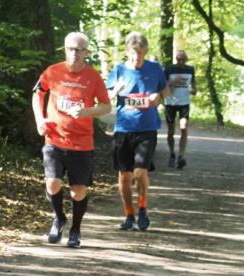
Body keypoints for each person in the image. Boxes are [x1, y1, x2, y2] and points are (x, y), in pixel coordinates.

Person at [32, 32, 112, 248]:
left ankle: (75, 229)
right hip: (55, 138)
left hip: (82, 142)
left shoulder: (93, 77)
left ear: (86, 52)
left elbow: (106, 106)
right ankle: (59, 218)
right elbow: (37, 93)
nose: (74, 54)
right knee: (53, 183)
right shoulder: (53, 72)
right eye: (70, 49)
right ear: (64, 49)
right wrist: (40, 119)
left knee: (78, 191)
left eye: (79, 50)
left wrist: (86, 112)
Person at [106, 32, 169, 231]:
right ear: (127, 52)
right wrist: (116, 90)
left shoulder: (155, 69)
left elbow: (166, 91)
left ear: (146, 52)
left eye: (140, 53)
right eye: (133, 54)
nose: (137, 58)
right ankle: (129, 215)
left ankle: (142, 208)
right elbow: (105, 97)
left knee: (140, 171)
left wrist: (157, 96)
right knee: (124, 176)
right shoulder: (118, 70)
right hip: (124, 128)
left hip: (147, 127)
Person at [164, 49, 197, 169]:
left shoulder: (190, 69)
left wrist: (193, 90)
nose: (180, 61)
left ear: (186, 60)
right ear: (175, 59)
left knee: (184, 128)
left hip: (184, 103)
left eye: (183, 59)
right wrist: (173, 81)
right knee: (171, 131)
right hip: (170, 103)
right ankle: (172, 154)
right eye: (178, 59)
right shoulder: (169, 69)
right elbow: (163, 86)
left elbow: (194, 87)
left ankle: (181, 156)